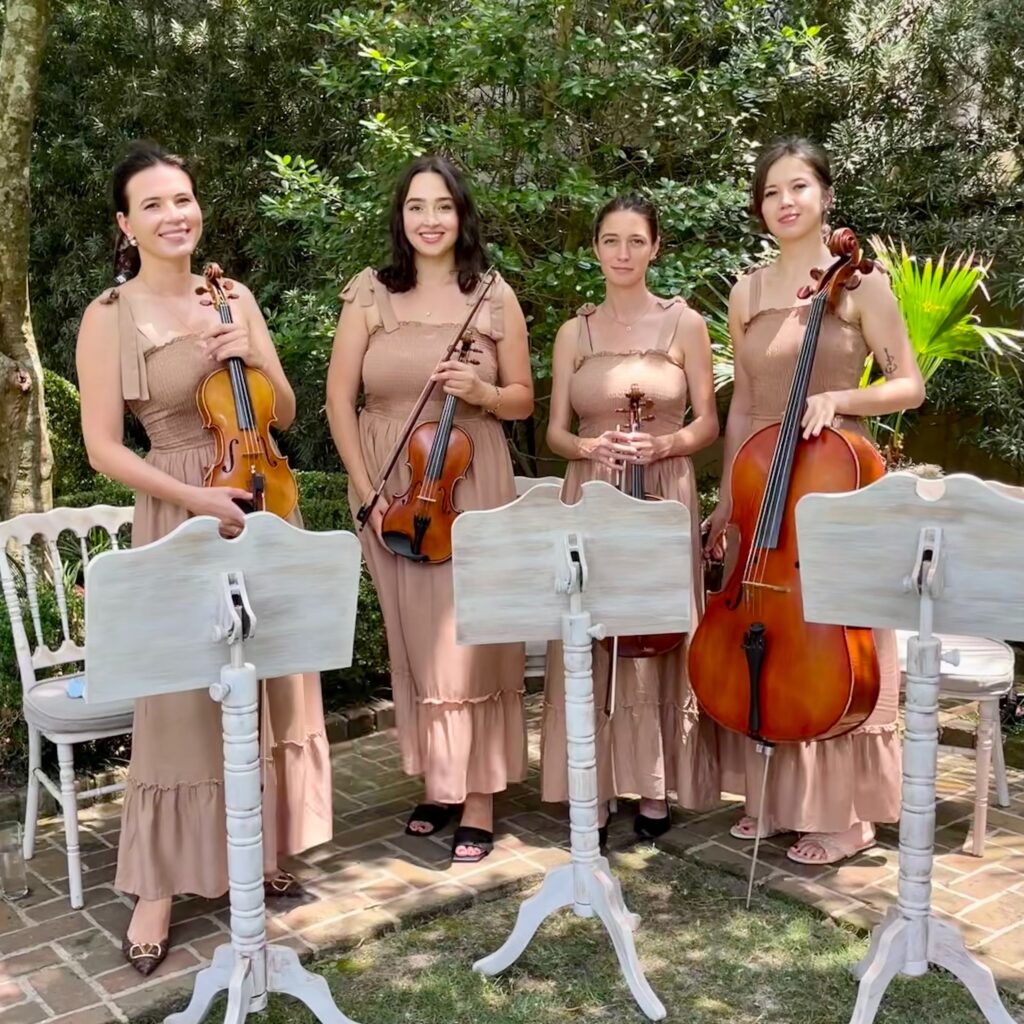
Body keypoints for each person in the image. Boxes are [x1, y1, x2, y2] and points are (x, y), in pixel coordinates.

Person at [77, 141, 332, 973]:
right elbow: (104, 448)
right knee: (182, 698)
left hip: (262, 497)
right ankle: (158, 885)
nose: (173, 214)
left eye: (181, 199)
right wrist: (194, 501)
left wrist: (248, 351)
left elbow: (285, 411)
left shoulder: (235, 297)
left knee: (269, 681)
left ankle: (261, 849)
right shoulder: (109, 316)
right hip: (181, 506)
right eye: (152, 204)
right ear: (126, 223)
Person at [704, 137, 925, 865]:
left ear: (824, 196)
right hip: (762, 486)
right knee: (769, 636)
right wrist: (723, 502)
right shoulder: (747, 292)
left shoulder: (863, 285)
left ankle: (843, 814)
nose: (785, 202)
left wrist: (841, 397)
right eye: (771, 192)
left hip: (836, 478)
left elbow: (907, 385)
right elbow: (743, 409)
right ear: (760, 207)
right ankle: (773, 800)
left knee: (834, 640)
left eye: (798, 187)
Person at [326, 155, 534, 863]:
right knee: (416, 640)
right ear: (401, 217)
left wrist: (480, 391)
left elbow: (523, 401)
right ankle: (442, 781)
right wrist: (369, 488)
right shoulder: (370, 293)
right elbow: (337, 401)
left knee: (470, 637)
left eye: (442, 206)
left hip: (468, 476)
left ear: (462, 213)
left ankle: (479, 795)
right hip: (392, 483)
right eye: (417, 206)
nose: (430, 220)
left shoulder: (494, 295)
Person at [541, 195, 721, 842]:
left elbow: (709, 422)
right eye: (610, 241)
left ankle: (652, 785)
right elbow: (555, 433)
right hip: (590, 492)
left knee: (652, 638)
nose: (622, 253)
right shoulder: (574, 332)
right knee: (590, 631)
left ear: (654, 248)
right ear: (596, 249)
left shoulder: (685, 326)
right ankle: (590, 782)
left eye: (635, 241)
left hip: (661, 492)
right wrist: (591, 447)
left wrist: (666, 445)